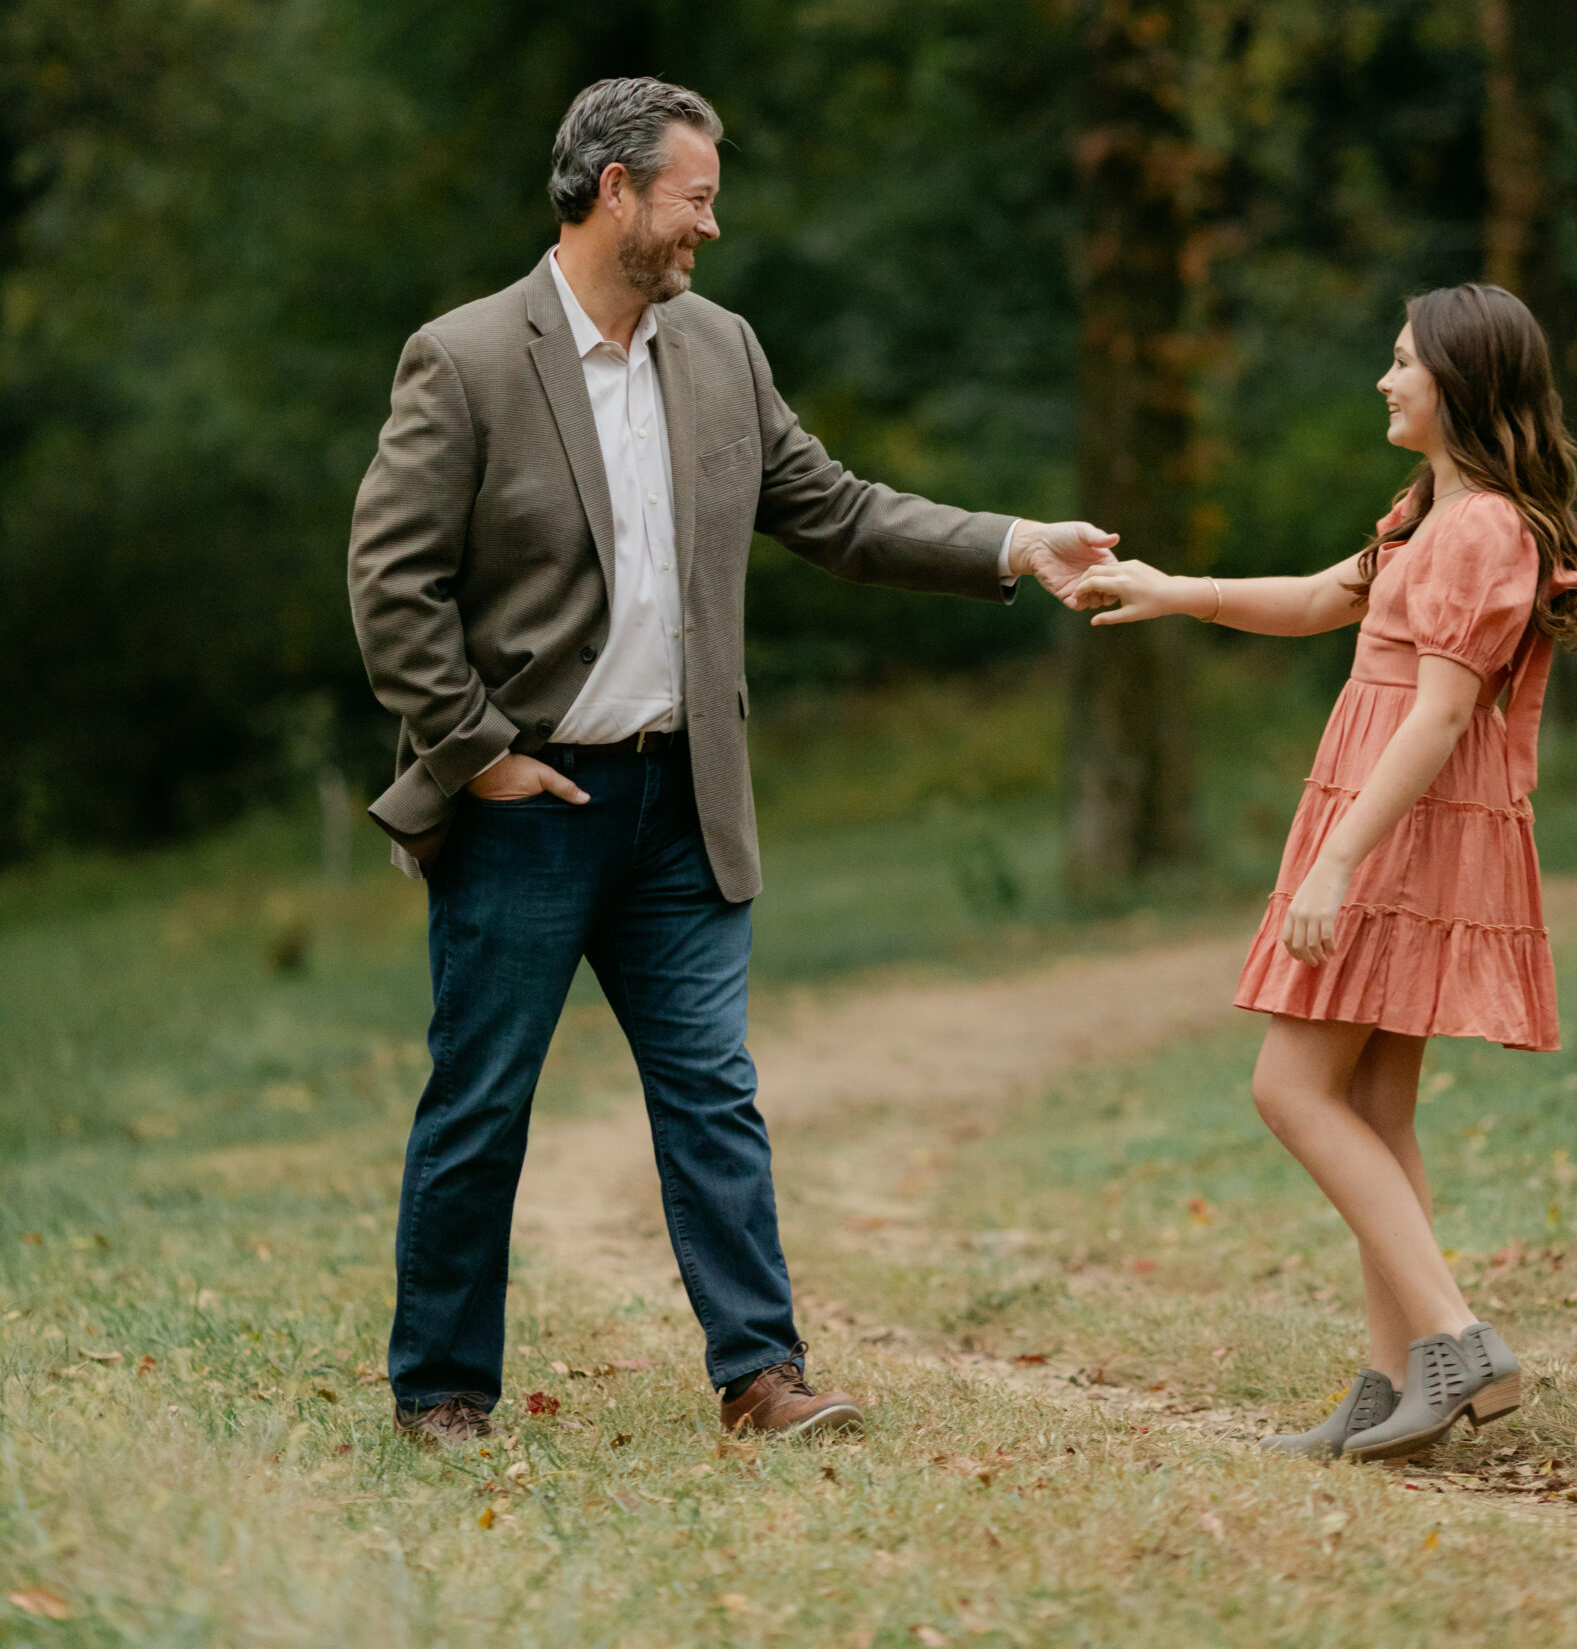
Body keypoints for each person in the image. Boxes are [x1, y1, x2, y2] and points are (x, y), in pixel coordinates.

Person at [348, 75, 1115, 1449]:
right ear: (614, 191)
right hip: (529, 806)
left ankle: (761, 1378)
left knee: (713, 1092)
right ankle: (441, 1393)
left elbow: (832, 508)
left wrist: (1012, 543)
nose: (710, 227)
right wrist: (476, 756)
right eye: (693, 198)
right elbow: (389, 586)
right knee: (482, 1101)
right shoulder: (463, 361)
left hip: (680, 805)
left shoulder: (718, 349)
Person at [1070, 284, 1577, 1463]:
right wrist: (1175, 591)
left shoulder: (1484, 529)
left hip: (1402, 831)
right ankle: (1390, 1380)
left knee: (1288, 1088)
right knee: (1371, 1104)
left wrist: (1335, 864)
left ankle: (1459, 1344)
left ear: (1457, 381)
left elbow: (1439, 714)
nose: (1385, 379)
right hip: (1394, 825)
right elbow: (1324, 599)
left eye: (1402, 361)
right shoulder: (1434, 509)